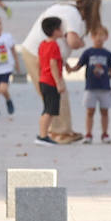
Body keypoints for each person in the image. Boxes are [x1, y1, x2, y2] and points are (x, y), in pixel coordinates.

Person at [19, 0, 102, 143]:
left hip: (34, 52)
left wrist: (65, 63)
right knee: (55, 94)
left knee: (52, 95)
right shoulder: (74, 15)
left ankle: (56, 131)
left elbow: (61, 47)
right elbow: (72, 41)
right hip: (40, 56)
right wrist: (81, 43)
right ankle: (59, 133)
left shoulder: (64, 8)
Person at [67, 26, 111, 144]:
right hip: (91, 87)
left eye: (101, 35)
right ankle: (88, 134)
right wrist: (70, 69)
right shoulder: (88, 53)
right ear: (91, 37)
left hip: (105, 87)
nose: (99, 38)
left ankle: (105, 133)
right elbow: (79, 65)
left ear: (106, 37)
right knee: (90, 111)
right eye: (96, 35)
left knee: (105, 111)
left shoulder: (108, 54)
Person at [34, 16, 65, 145]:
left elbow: (38, 62)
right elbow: (53, 64)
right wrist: (59, 83)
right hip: (51, 81)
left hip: (43, 80)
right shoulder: (54, 45)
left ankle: (43, 133)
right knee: (50, 110)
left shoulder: (43, 44)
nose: (63, 30)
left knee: (46, 109)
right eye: (61, 28)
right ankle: (43, 136)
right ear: (55, 30)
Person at [0, 12, 21, 117]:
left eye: (0, 24)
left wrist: (17, 64)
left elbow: (13, 51)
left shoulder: (7, 37)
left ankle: (8, 99)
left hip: (6, 68)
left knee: (3, 89)